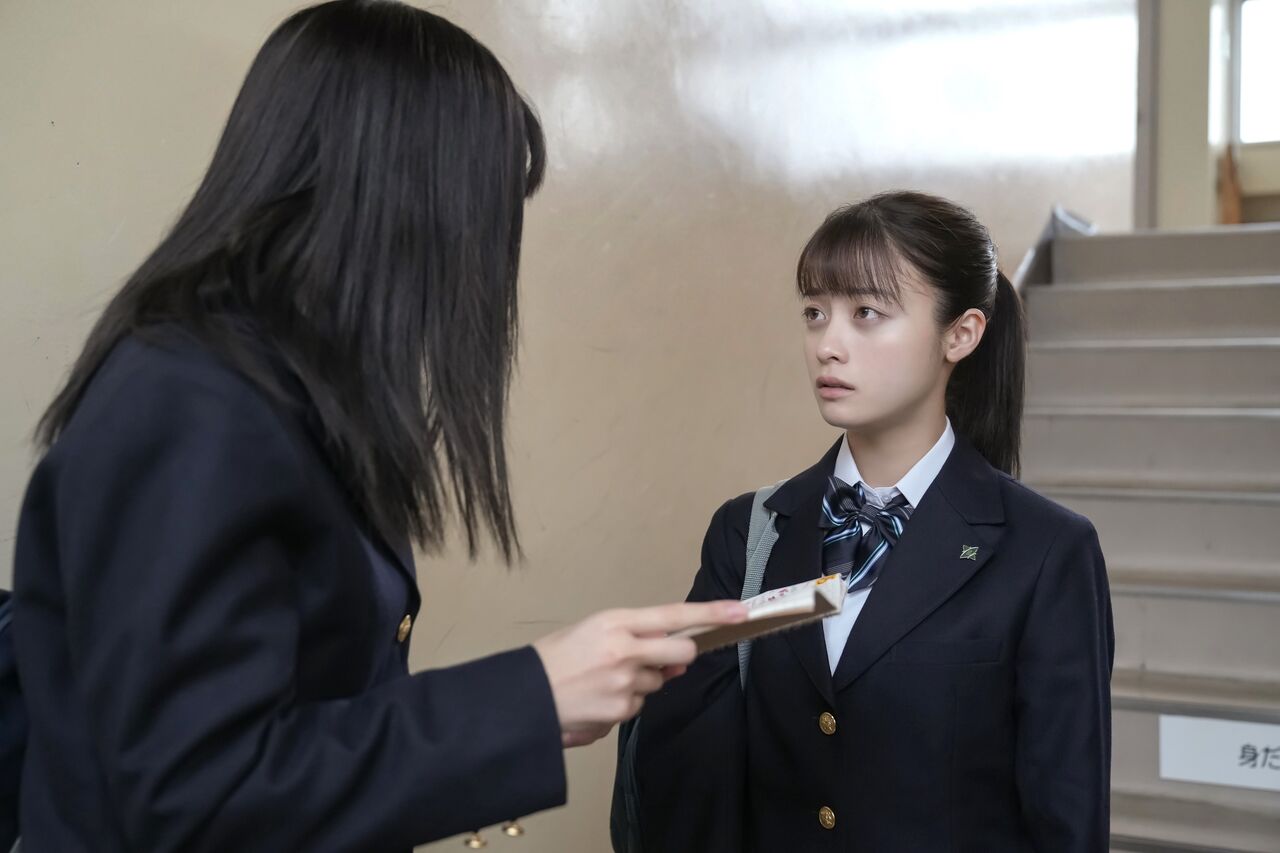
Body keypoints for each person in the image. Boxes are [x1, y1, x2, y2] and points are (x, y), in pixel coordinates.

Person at [10, 2, 745, 850]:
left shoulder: (272, 391)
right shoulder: (191, 400)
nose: (486, 260)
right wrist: (529, 699)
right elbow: (200, 797)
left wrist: (539, 700)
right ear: (399, 196)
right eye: (482, 212)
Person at [625, 191, 1115, 852]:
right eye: (814, 313)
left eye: (866, 314)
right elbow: (694, 772)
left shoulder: (1046, 551)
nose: (828, 346)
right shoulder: (751, 531)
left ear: (961, 334)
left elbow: (1066, 816)